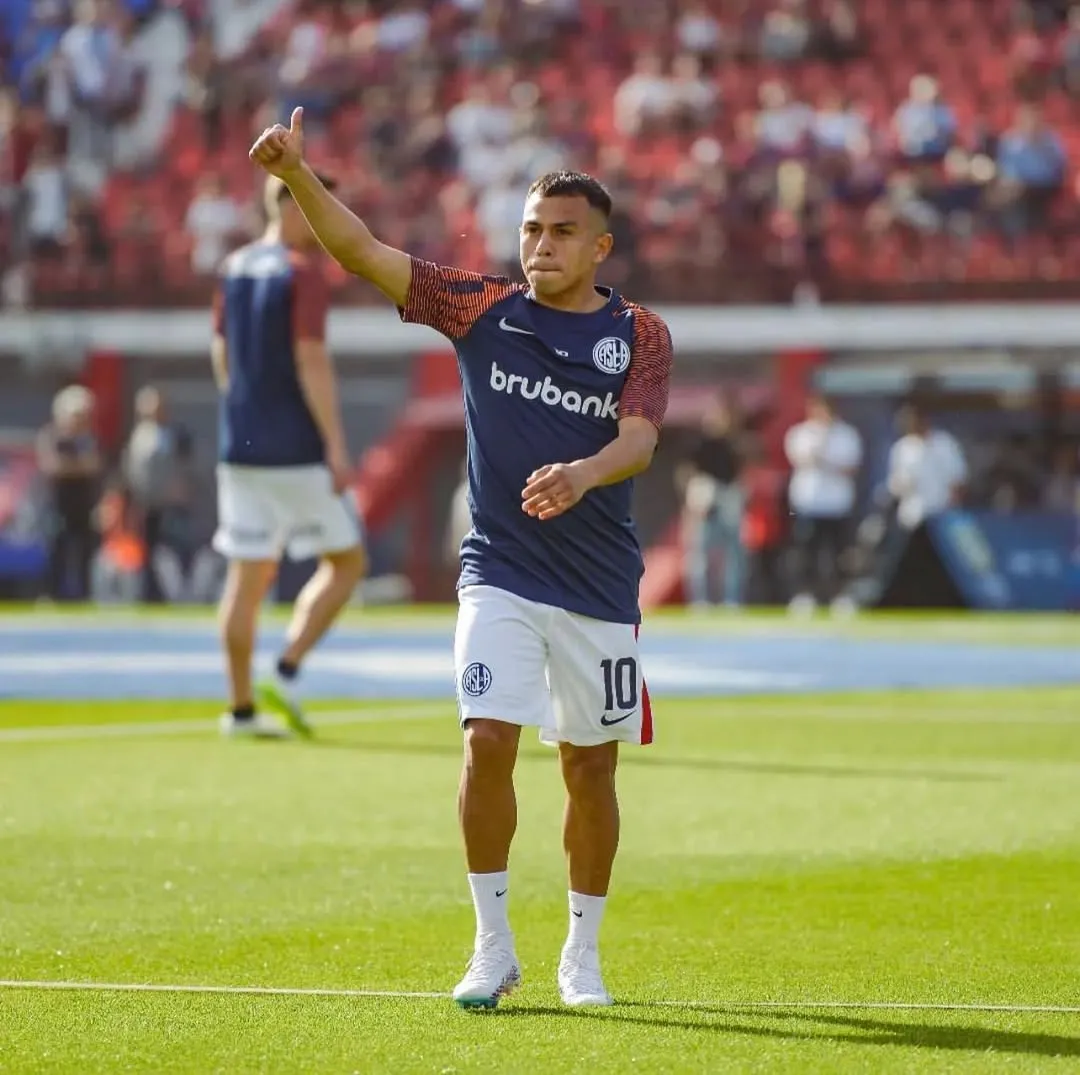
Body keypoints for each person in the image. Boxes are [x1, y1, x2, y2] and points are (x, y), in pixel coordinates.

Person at [249, 108, 674, 1009]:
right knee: (486, 742)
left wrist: (585, 471)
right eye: (531, 229)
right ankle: (492, 946)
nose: (542, 245)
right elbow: (365, 253)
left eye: (563, 232)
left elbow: (638, 440)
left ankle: (582, 955)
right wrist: (298, 176)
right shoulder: (480, 308)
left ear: (601, 246)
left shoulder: (639, 333)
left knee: (589, 769)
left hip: (598, 587)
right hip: (500, 574)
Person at [210, 169, 367, 739]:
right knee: (347, 561)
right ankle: (289, 666)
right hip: (296, 448)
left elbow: (221, 356)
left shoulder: (233, 267)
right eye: (319, 205)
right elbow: (311, 359)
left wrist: (241, 416)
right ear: (291, 204)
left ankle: (240, 710)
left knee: (246, 577)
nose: (326, 222)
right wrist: (335, 445)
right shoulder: (303, 273)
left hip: (240, 447)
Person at [783, 391, 863, 614]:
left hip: (838, 504)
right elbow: (801, 460)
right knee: (806, 553)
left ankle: (842, 596)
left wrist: (826, 460)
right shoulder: (801, 433)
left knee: (839, 554)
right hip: (808, 503)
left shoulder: (847, 434)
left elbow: (850, 468)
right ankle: (805, 595)